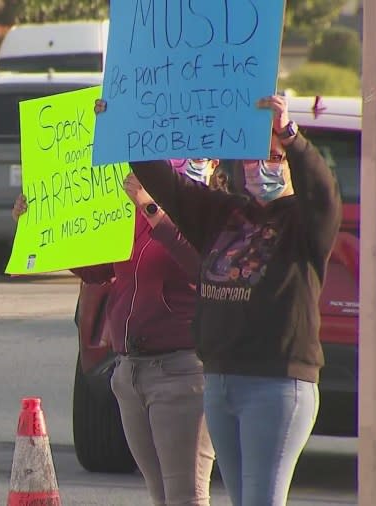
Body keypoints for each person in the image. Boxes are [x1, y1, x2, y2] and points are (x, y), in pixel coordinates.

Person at [106, 95, 342, 506]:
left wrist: (289, 135)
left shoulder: (303, 223)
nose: (260, 167)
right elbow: (167, 186)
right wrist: (123, 127)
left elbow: (323, 193)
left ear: (289, 167)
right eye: (253, 159)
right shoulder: (225, 214)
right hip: (221, 380)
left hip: (276, 383)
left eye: (273, 159)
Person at [13, 158, 221, 506]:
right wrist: (37, 225)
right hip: (132, 371)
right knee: (160, 494)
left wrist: (152, 209)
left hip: (181, 372)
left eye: (194, 155)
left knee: (186, 496)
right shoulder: (134, 215)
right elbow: (98, 270)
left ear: (213, 163)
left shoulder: (212, 212)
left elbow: (204, 267)